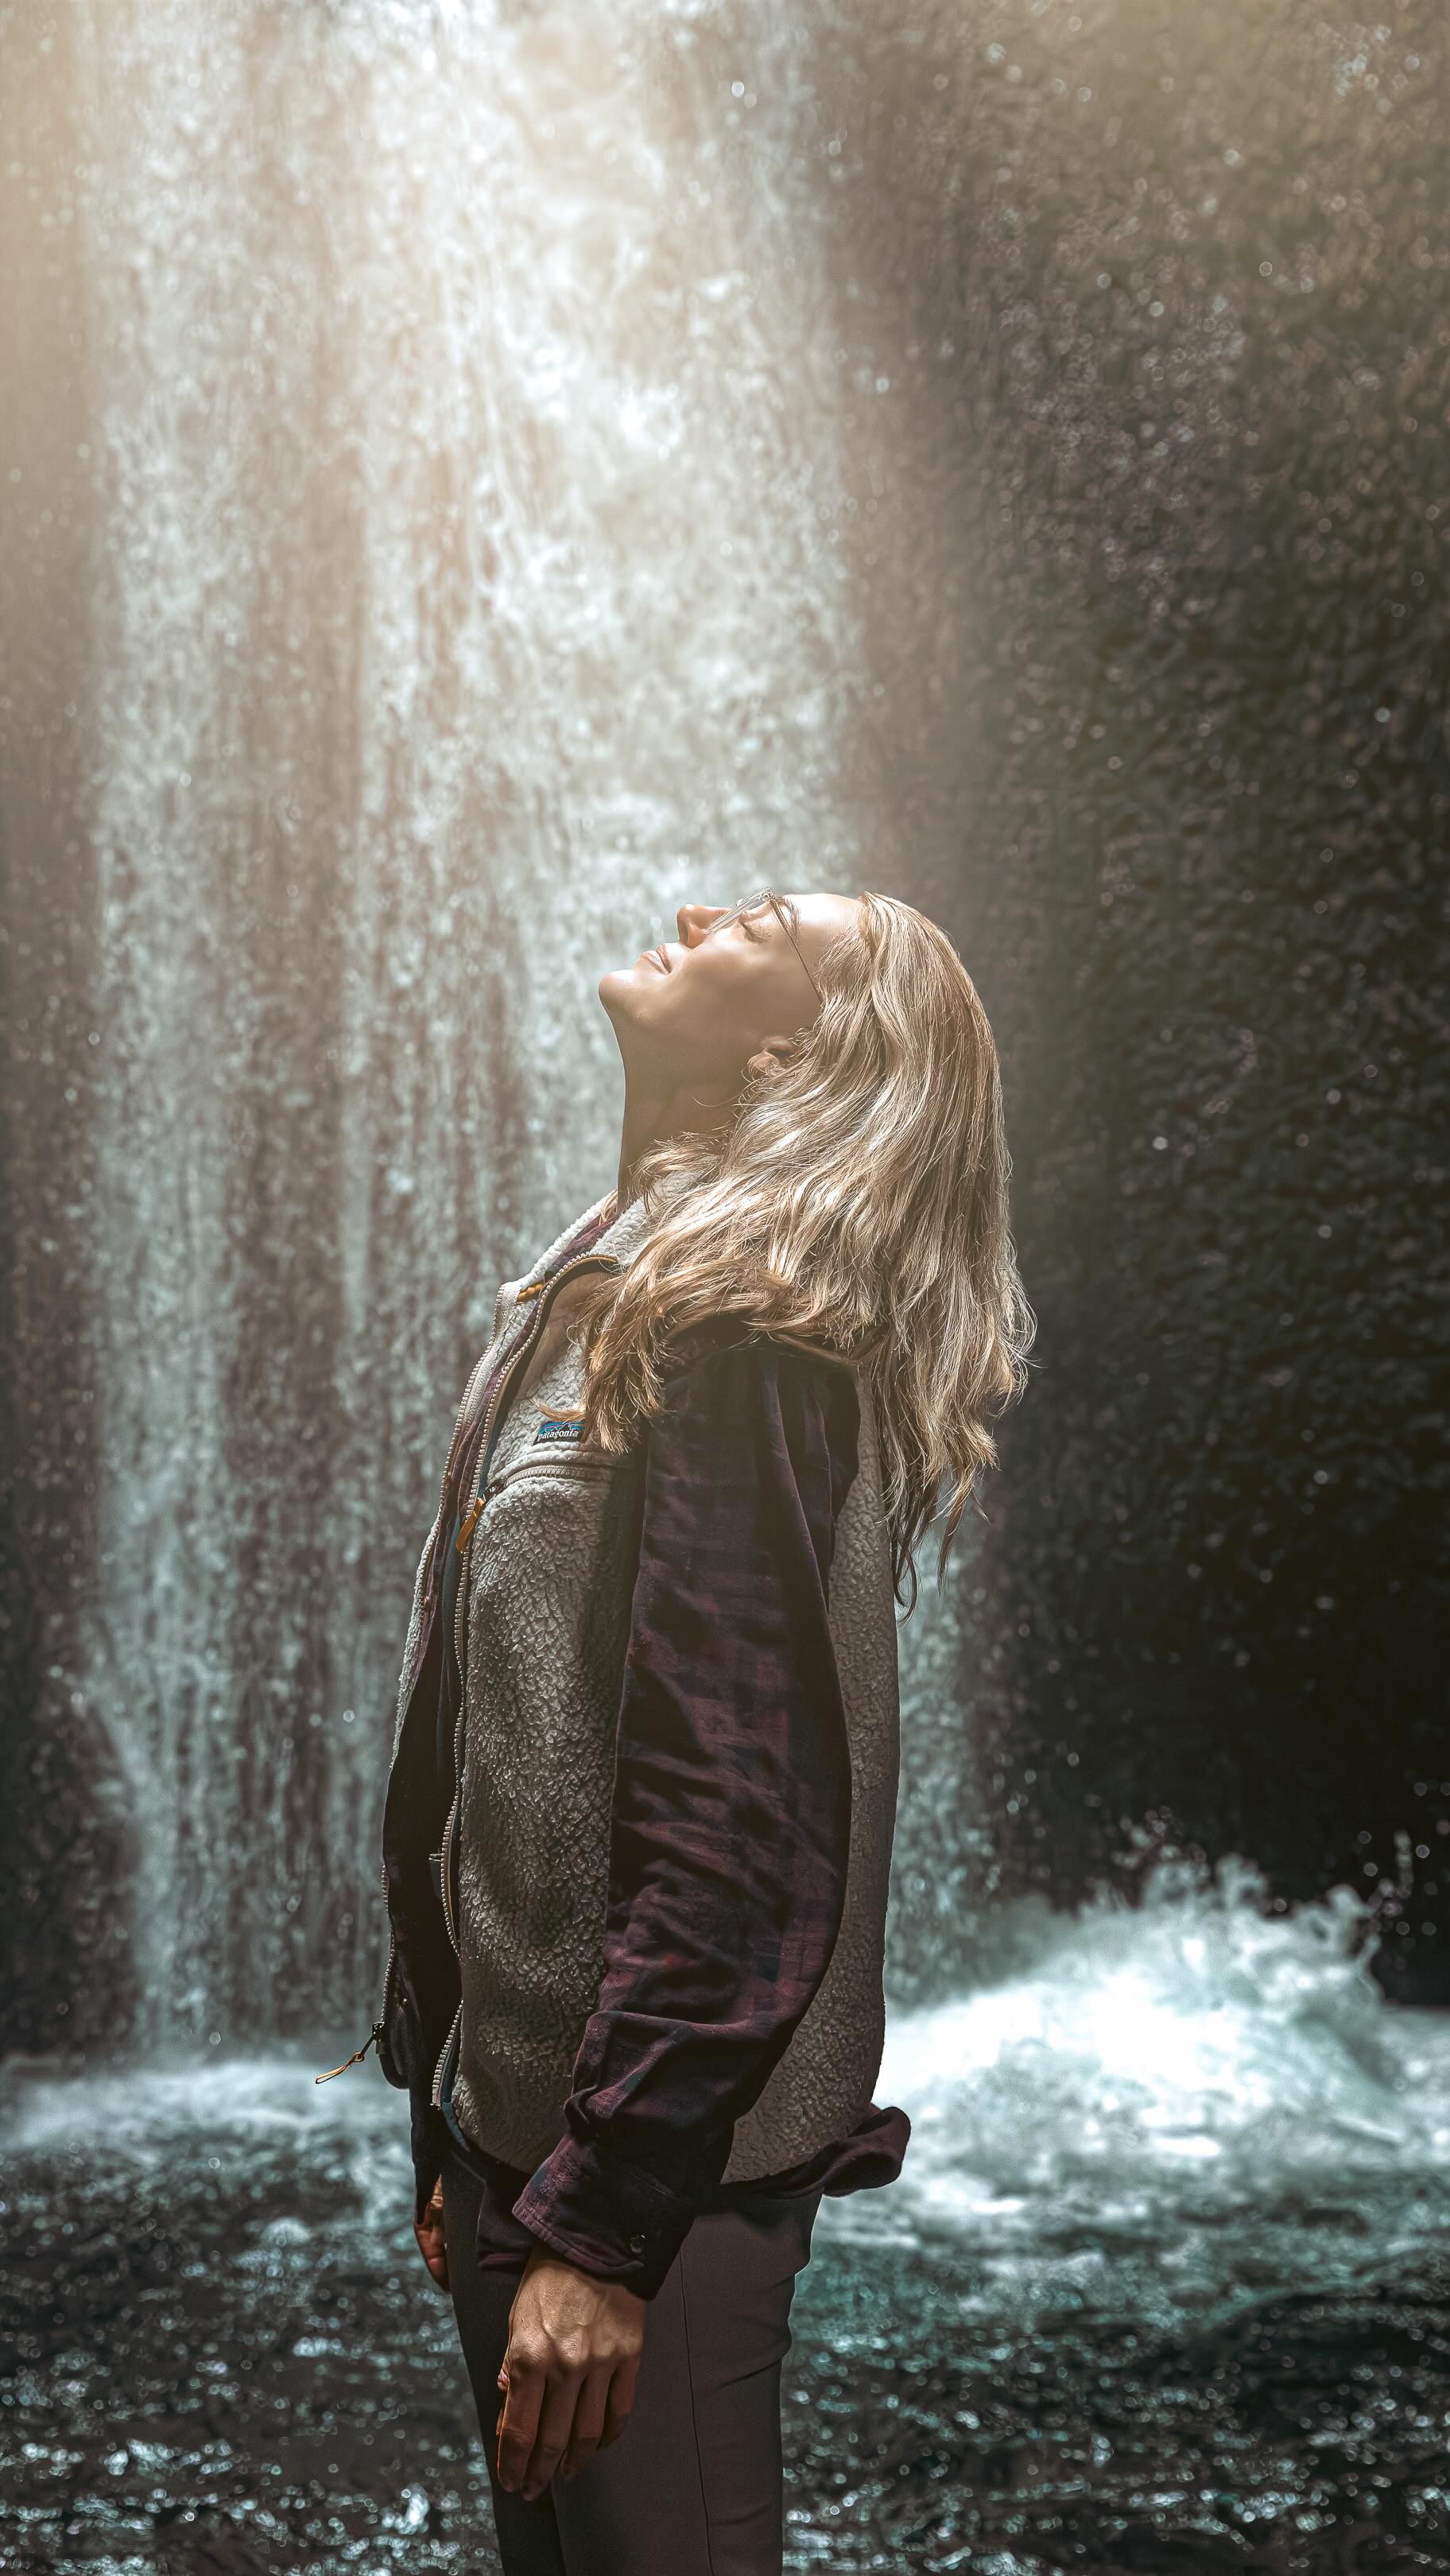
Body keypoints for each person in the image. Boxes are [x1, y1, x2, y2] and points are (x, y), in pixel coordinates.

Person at [357, 887, 1031, 2574]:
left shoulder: (747, 1336)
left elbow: (741, 1829)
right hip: (540, 2141)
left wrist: (600, 2231)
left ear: (805, 1049)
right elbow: (498, 1754)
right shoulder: (604, 1282)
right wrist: (453, 2108)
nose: (689, 909)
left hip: (650, 2194)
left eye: (758, 922)